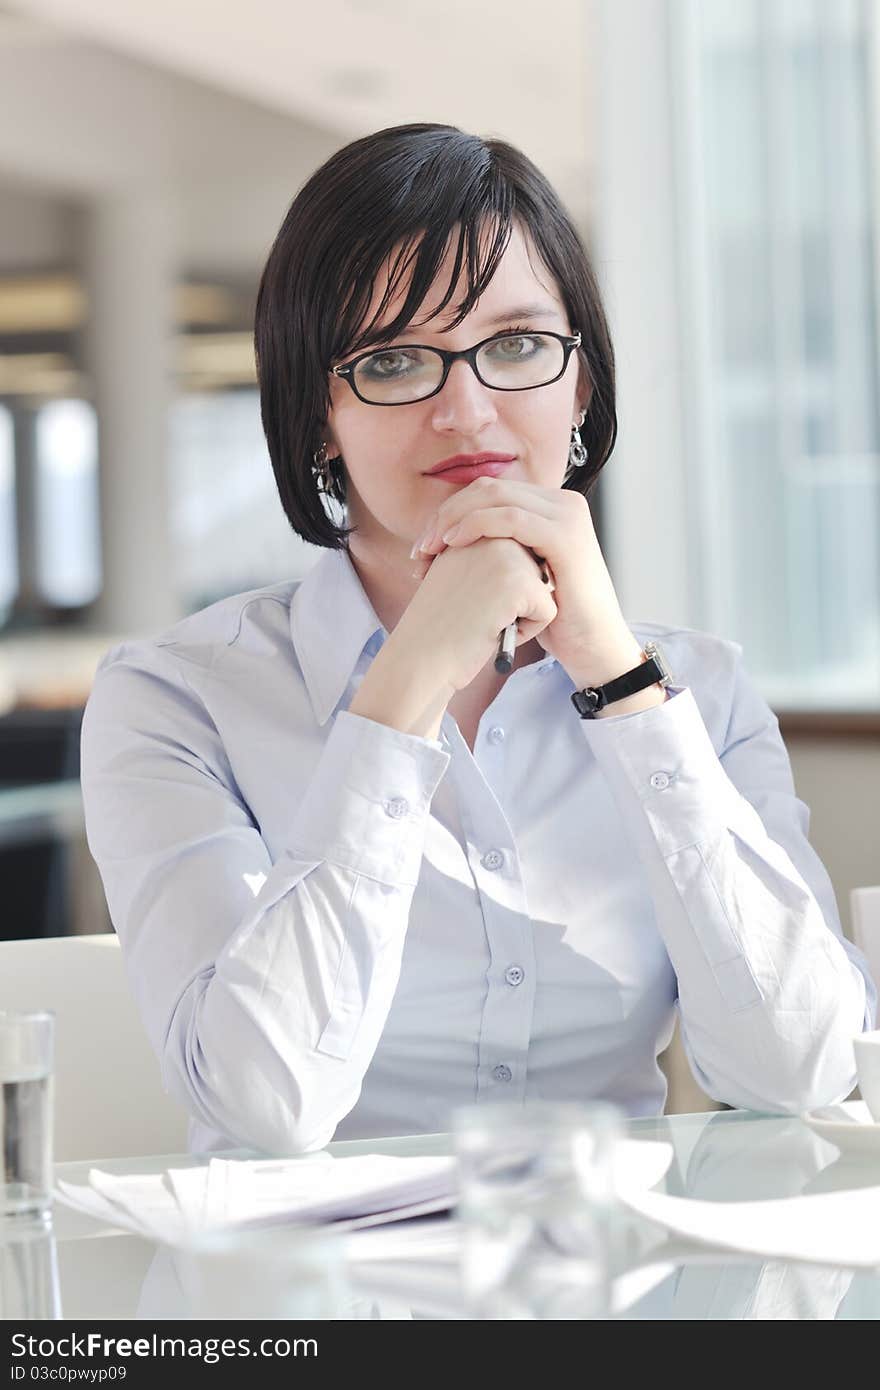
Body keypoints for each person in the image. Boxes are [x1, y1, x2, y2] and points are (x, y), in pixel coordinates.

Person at [80, 123, 876, 1156]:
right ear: (318, 412)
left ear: (580, 386)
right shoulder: (175, 697)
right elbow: (262, 1105)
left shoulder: (698, 688)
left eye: (515, 346)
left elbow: (802, 1070)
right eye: (397, 360)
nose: (467, 408)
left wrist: (620, 684)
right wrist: (402, 688)